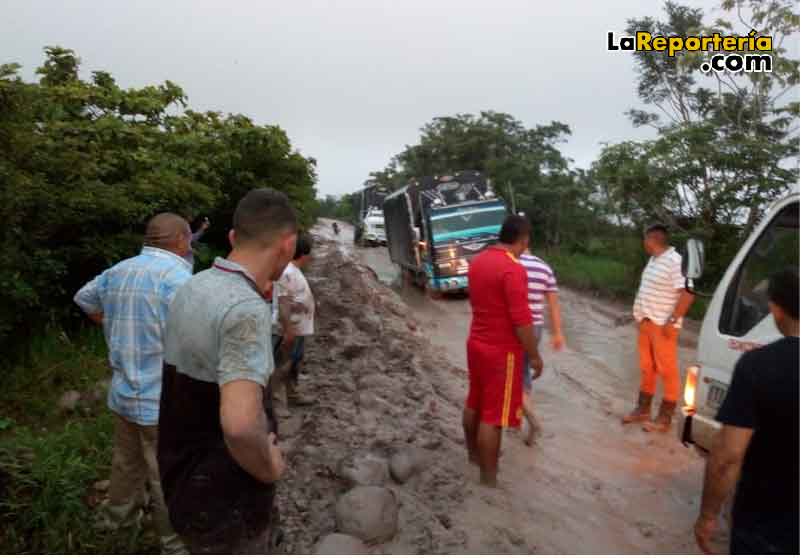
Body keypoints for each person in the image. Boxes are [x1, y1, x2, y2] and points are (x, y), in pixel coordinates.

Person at [157, 188, 297, 553]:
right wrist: (269, 467)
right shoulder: (244, 309)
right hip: (225, 503)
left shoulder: (194, 285)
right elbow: (239, 425)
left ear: (234, 237)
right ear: (288, 245)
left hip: (182, 481)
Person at [73, 213, 193, 554]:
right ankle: (173, 542)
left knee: (126, 463)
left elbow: (84, 298)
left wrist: (113, 325)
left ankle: (117, 520)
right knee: (165, 472)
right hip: (161, 401)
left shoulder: (119, 271)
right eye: (189, 239)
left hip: (123, 393)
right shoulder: (180, 279)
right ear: (181, 239)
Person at [694, 269, 799, 555]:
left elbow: (728, 456)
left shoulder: (758, 366)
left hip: (765, 526)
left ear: (775, 308)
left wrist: (707, 516)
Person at [463, 215, 544, 487]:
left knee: (474, 402)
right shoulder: (513, 268)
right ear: (523, 240)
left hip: (476, 344)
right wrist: (535, 356)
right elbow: (522, 320)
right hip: (502, 353)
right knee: (493, 418)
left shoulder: (478, 261)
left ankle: (473, 457)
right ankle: (488, 479)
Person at [622, 224, 695, 432]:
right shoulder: (654, 260)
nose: (643, 243)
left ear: (651, 239)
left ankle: (665, 418)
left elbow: (688, 293)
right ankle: (643, 410)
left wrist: (673, 321)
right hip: (645, 322)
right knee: (647, 367)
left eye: (644, 239)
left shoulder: (675, 261)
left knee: (667, 370)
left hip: (663, 326)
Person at [519, 248, 565, 445]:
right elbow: (554, 305)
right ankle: (519, 419)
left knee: (510, 377)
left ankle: (531, 419)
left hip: (515, 327)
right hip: (536, 329)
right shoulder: (544, 267)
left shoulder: (510, 264)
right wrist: (557, 333)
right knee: (524, 372)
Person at [271, 233, 315, 409]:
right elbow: (283, 303)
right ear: (304, 254)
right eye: (311, 252)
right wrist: (288, 331)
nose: (312, 256)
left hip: (298, 329)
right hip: (289, 330)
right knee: (282, 366)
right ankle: (274, 404)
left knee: (293, 364)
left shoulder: (294, 271)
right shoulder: (288, 273)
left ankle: (292, 395)